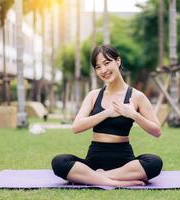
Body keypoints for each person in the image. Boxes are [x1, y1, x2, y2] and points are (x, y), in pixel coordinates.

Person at [51, 45, 163, 187]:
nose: (103, 70)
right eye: (98, 67)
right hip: (94, 159)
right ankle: (118, 182)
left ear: (118, 61)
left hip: (125, 161)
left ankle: (94, 178)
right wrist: (107, 113)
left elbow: (157, 131)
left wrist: (133, 114)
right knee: (59, 162)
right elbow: (76, 127)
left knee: (154, 162)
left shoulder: (137, 96)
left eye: (106, 63)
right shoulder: (93, 95)